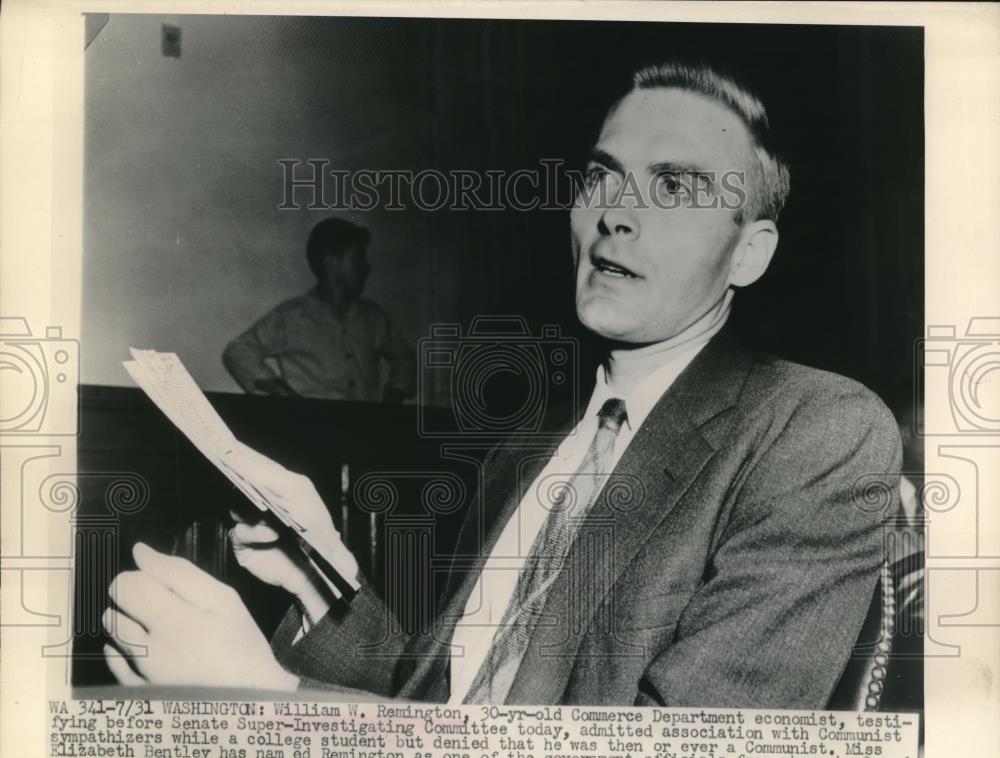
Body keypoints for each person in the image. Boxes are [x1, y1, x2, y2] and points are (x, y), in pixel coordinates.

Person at [103, 61, 902, 708]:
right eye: (602, 178)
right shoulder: (528, 450)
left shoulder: (815, 429)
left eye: (675, 188)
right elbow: (443, 703)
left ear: (751, 253)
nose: (615, 213)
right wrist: (322, 576)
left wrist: (269, 693)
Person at [222, 217, 416, 403]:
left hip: (363, 430)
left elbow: (404, 358)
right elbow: (238, 352)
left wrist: (393, 399)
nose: (366, 267)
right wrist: (284, 396)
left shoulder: (374, 317)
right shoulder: (292, 316)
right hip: (310, 428)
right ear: (330, 262)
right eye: (358, 259)